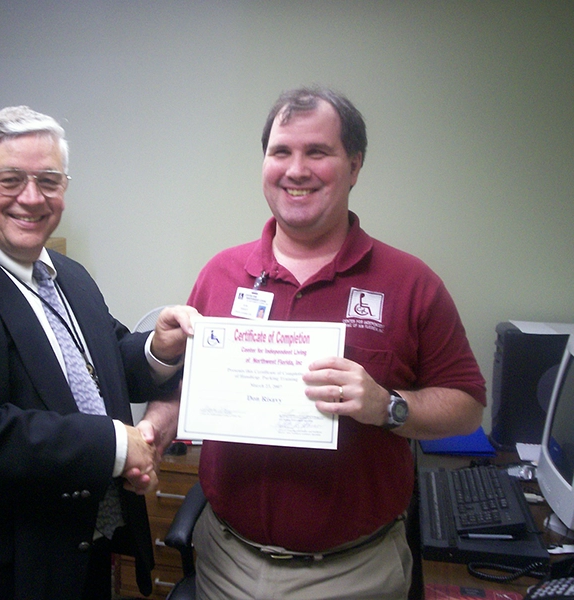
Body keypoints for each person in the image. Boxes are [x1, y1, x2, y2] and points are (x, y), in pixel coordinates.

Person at [0, 105, 195, 600]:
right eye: (10, 180)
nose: (31, 198)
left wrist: (159, 348)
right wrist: (116, 446)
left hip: (79, 557)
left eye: (49, 180)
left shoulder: (68, 276)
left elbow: (104, 362)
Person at [186, 87, 486, 599]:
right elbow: (189, 390)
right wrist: (148, 430)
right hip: (226, 559)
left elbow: (467, 407)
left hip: (354, 572)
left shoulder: (410, 282)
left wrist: (387, 406)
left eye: (317, 152)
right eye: (281, 152)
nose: (295, 169)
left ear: (354, 164)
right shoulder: (221, 273)